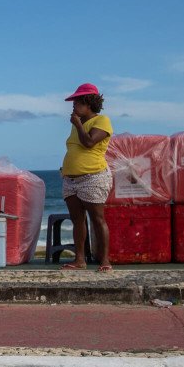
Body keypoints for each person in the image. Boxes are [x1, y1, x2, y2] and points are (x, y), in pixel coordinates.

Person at [59, 83, 113, 273]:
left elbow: (89, 143)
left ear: (88, 104)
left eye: (77, 103)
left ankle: (104, 260)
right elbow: (75, 148)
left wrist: (78, 125)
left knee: (97, 219)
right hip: (71, 180)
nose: (73, 107)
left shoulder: (102, 121)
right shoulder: (78, 124)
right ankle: (79, 259)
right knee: (77, 219)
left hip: (93, 177)